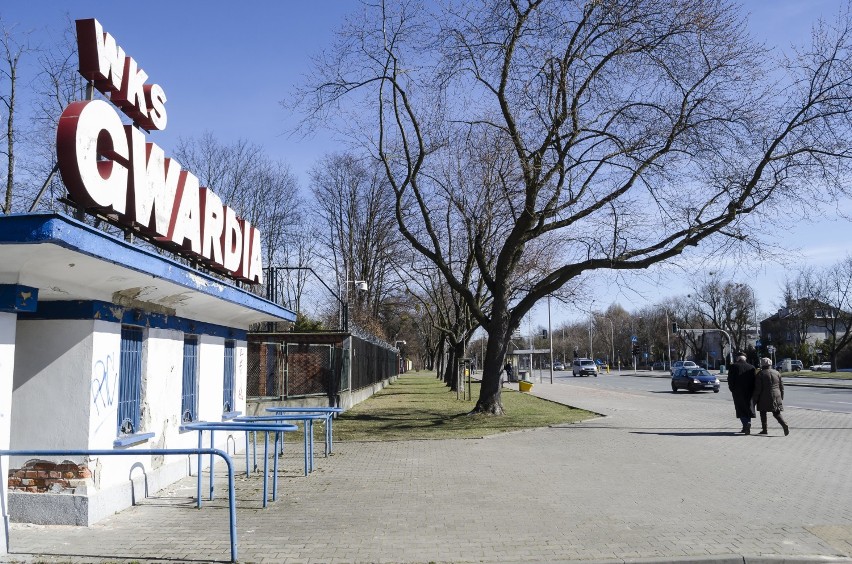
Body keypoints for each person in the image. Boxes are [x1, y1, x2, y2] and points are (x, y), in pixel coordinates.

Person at [753, 357, 789, 436]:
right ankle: (784, 424)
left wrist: (754, 400)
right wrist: (781, 396)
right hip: (776, 395)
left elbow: (758, 389)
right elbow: (781, 386)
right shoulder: (777, 373)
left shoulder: (760, 374)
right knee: (776, 412)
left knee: (763, 412)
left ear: (762, 364)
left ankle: (764, 429)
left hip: (764, 396)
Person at [727, 354, 756, 434]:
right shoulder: (751, 367)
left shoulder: (733, 367)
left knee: (740, 408)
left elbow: (730, 379)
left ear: (737, 359)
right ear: (745, 359)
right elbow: (754, 380)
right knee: (748, 408)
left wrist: (732, 389)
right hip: (749, 391)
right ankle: (746, 426)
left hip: (738, 391)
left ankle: (746, 424)